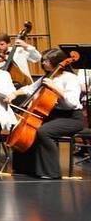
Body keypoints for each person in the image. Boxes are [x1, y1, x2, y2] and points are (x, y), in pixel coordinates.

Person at [8, 47, 84, 180]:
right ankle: (25, 168)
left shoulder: (70, 78)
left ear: (57, 62)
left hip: (71, 118)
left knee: (44, 131)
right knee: (27, 128)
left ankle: (51, 172)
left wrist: (55, 88)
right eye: (43, 60)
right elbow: (30, 89)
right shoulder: (48, 76)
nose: (43, 63)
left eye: (46, 61)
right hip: (53, 115)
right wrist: (14, 93)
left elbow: (72, 103)